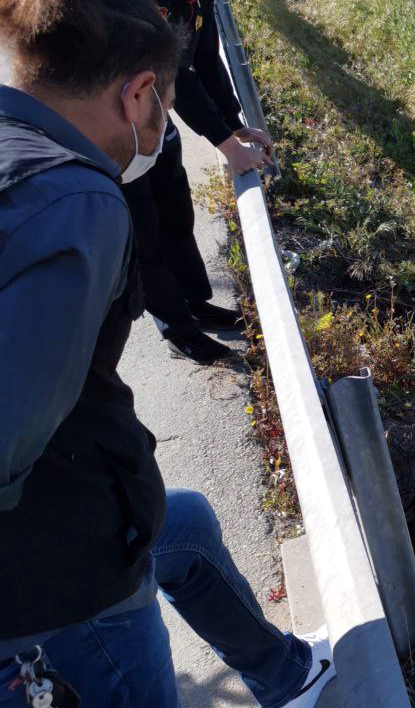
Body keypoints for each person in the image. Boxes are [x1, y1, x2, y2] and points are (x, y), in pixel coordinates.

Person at [0, 0, 331, 704]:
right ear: (140, 95)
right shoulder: (75, 207)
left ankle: (286, 673)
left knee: (185, 523)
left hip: (86, 498)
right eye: (170, 103)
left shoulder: (15, 144)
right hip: (65, 575)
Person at [121, 0, 275, 364]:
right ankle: (179, 331)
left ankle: (193, 303)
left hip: (156, 116)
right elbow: (177, 73)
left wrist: (232, 123)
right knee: (145, 234)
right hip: (116, 125)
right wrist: (227, 145)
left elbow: (205, 58)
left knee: (176, 212)